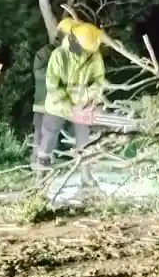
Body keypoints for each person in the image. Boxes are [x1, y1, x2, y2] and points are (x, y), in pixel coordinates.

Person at [34, 20, 107, 184]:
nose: (87, 54)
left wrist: (89, 98)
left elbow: (98, 81)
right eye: (85, 50)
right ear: (75, 42)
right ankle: (41, 177)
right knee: (48, 139)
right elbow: (52, 84)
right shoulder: (59, 55)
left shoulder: (94, 56)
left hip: (82, 106)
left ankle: (86, 175)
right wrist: (67, 105)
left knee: (85, 141)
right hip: (58, 106)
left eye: (90, 51)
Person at [32, 17, 76, 159]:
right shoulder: (46, 53)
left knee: (58, 140)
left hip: (60, 106)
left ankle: (56, 164)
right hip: (44, 106)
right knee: (41, 141)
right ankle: (39, 167)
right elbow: (43, 75)